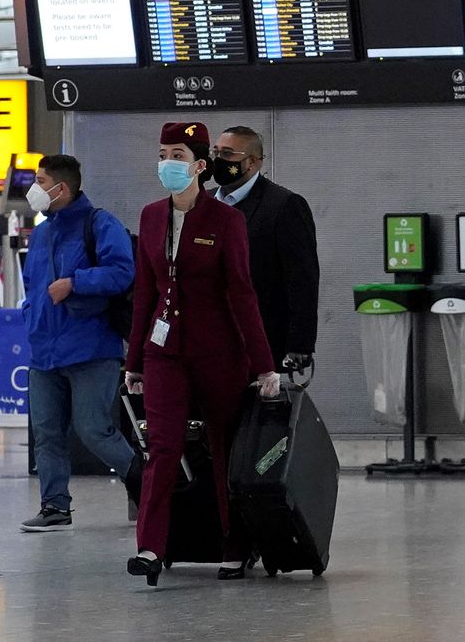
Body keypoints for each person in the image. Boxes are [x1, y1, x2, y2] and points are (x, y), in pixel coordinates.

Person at [124, 121, 280, 587]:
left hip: (218, 352)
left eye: (177, 155)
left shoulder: (225, 220)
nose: (167, 163)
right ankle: (151, 546)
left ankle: (235, 545)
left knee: (223, 449)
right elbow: (145, 294)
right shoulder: (151, 216)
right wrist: (133, 362)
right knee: (163, 447)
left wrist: (264, 364)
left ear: (198, 166)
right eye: (163, 153)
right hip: (163, 352)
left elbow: (243, 295)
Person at [19, 153, 142, 532]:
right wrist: (31, 314)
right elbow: (35, 287)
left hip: (91, 348)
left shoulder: (100, 224)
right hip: (45, 352)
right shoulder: (41, 233)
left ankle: (145, 484)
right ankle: (54, 505)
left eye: (40, 181)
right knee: (47, 432)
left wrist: (76, 283)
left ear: (62, 187)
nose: (34, 188)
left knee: (94, 430)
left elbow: (123, 271)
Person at [210, 126, 320, 373]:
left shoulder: (283, 206)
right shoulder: (201, 203)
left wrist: (300, 344)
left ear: (252, 163)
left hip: (262, 339)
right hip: (207, 338)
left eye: (227, 154)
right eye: (215, 152)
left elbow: (302, 279)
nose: (217, 161)